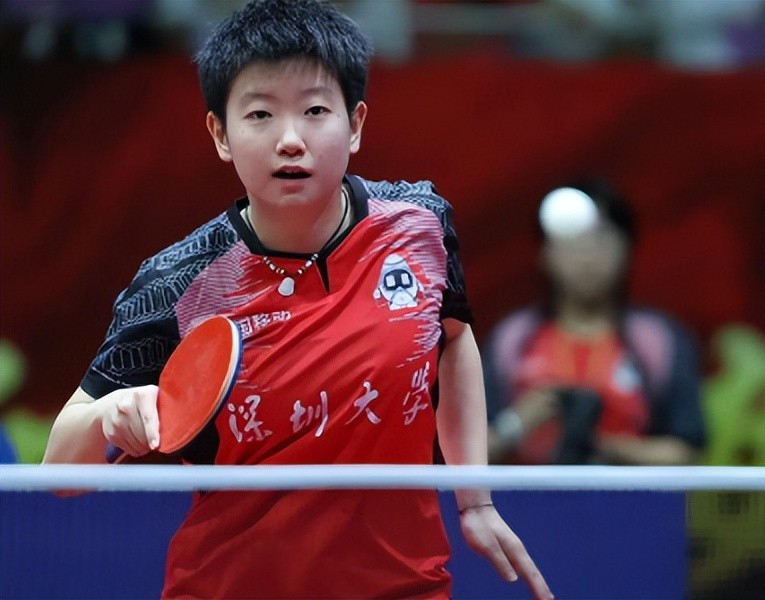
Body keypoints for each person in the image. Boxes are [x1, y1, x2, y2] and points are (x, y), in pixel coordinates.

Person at [41, 1, 553, 598]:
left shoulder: (420, 226)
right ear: (220, 134)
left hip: (403, 586)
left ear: (355, 124)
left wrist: (474, 499)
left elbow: (453, 341)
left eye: (314, 111)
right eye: (260, 114)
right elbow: (59, 474)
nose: (290, 140)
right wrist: (108, 413)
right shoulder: (177, 283)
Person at [485, 180, 706, 465]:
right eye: (573, 237)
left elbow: (686, 450)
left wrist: (606, 448)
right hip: (523, 494)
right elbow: (471, 452)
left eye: (601, 236)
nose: (587, 253)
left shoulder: (659, 340)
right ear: (544, 252)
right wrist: (516, 423)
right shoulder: (512, 338)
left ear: (627, 249)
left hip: (631, 495)